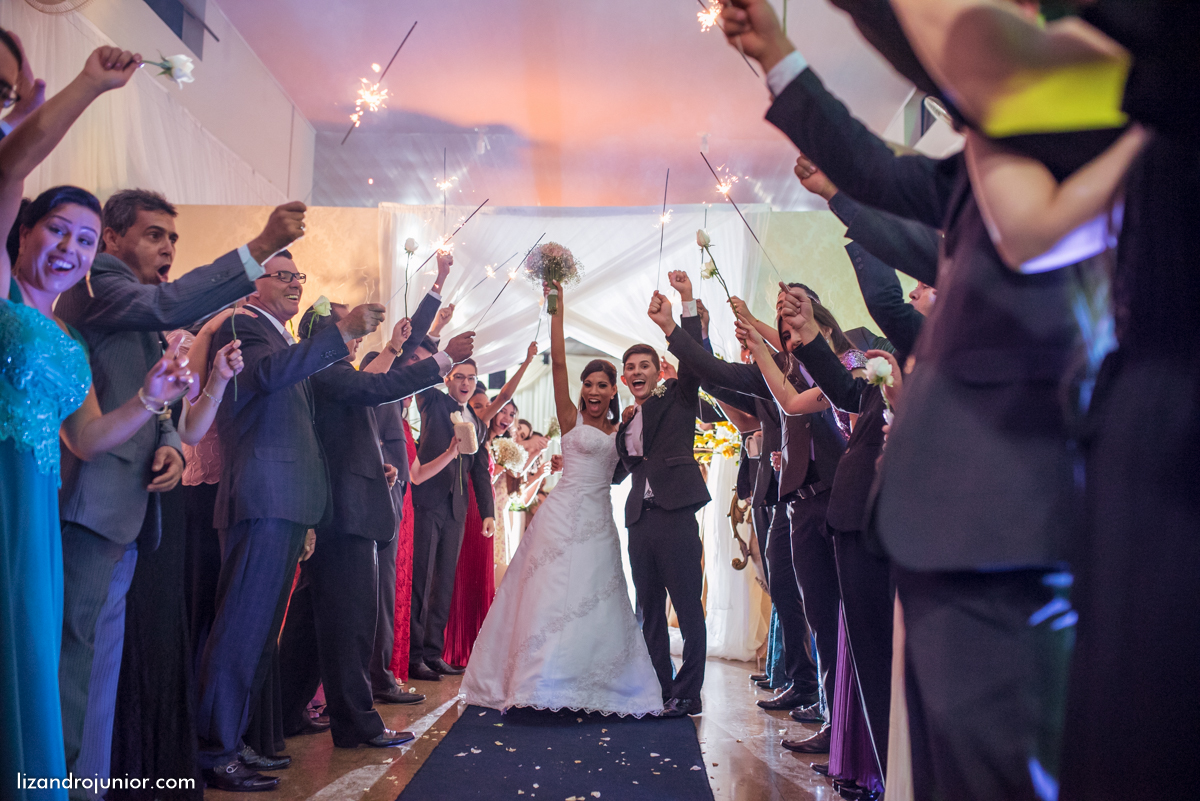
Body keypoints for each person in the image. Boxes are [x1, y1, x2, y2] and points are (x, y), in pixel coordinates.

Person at [717, 1, 1088, 796]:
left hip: (1028, 507)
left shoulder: (1099, 150)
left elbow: (888, 302)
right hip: (934, 520)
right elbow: (881, 174)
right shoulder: (978, 183)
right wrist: (780, 52)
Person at [54, 181, 308, 795]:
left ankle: (86, 783)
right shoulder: (100, 289)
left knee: (103, 664)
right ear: (110, 240)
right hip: (89, 505)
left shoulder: (139, 306)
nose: (167, 248)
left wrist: (170, 442)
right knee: (72, 665)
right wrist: (261, 246)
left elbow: (163, 404)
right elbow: (164, 324)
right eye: (154, 235)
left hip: (134, 512)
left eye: (173, 238)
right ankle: (47, 783)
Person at [194, 247, 385, 791]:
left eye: (298, 276)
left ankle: (244, 740)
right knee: (239, 630)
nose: (295, 283)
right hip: (262, 494)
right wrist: (337, 334)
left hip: (289, 502)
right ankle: (215, 749)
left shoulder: (281, 335)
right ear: (255, 284)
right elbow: (265, 378)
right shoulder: (243, 323)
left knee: (260, 636)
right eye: (281, 276)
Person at [462, 278, 662, 717]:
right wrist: (557, 307)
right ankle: (535, 682)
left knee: (595, 595)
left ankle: (585, 681)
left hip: (598, 518)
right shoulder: (569, 418)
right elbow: (556, 368)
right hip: (559, 513)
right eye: (588, 383)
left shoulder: (625, 425)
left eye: (602, 385)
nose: (592, 391)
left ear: (616, 390)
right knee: (546, 592)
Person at [278, 298, 470, 751]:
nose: (359, 336)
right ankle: (357, 724)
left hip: (347, 503)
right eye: (350, 327)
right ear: (326, 333)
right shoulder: (326, 368)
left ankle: (284, 712)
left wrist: (374, 465)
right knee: (351, 625)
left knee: (311, 623)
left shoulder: (330, 370)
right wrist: (444, 359)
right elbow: (382, 386)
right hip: (345, 513)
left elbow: (346, 429)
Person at [610, 280, 713, 719]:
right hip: (639, 520)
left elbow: (694, 361)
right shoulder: (628, 419)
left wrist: (686, 305)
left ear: (659, 369)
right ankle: (661, 687)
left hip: (676, 515)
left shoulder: (678, 395)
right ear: (624, 375)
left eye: (644, 365)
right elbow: (620, 470)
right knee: (648, 610)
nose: (636, 371)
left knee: (689, 611)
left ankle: (689, 693)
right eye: (629, 366)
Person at [358, 250, 453, 704]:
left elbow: (420, 345)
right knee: (374, 593)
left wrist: (440, 286)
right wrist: (435, 285)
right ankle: (376, 678)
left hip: (393, 492)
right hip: (379, 489)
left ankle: (380, 674)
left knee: (384, 589)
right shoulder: (380, 376)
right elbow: (411, 339)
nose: (418, 367)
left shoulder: (401, 391)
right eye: (410, 360)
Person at [409, 356, 496, 682]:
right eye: (459, 376)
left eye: (471, 378)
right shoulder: (432, 401)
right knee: (422, 579)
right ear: (447, 379)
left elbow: (480, 471)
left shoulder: (478, 421)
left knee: (443, 583)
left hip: (457, 510)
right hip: (428, 502)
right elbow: (421, 378)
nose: (465, 383)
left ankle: (434, 653)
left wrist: (488, 512)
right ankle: (412, 655)